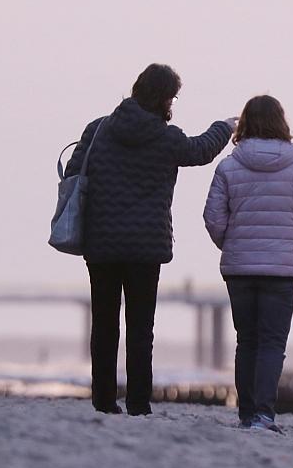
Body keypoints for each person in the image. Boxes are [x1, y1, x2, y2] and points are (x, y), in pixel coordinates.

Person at [65, 64, 236, 415]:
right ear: (163, 98)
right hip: (145, 246)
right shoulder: (165, 138)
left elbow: (72, 174)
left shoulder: (98, 130)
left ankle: (103, 400)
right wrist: (226, 126)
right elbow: (201, 150)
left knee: (104, 325)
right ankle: (139, 403)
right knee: (141, 328)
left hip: (102, 243)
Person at [203, 95, 293, 433]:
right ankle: (263, 415)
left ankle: (245, 415)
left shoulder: (228, 165)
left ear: (244, 124)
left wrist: (231, 245)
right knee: (272, 343)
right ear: (280, 122)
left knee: (247, 341)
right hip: (282, 270)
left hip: (239, 268)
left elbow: (212, 217)